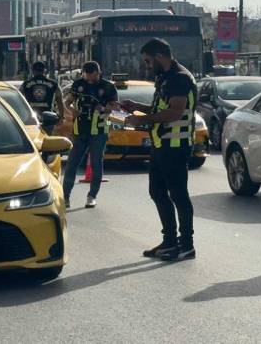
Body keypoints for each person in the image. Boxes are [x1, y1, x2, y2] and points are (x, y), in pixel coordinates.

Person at [122, 38, 197, 261]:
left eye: (147, 60)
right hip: (161, 143)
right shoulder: (165, 77)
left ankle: (186, 245)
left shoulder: (179, 78)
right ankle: (170, 241)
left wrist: (143, 120)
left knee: (178, 195)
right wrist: (137, 108)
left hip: (176, 145)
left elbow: (175, 112)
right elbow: (160, 108)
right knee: (157, 192)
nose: (146, 65)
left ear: (159, 56)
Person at [62, 61, 118, 209]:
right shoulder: (78, 84)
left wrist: (105, 108)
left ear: (98, 73)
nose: (88, 79)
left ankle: (92, 196)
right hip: (80, 130)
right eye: (86, 76)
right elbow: (68, 102)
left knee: (96, 163)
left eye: (91, 76)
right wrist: (71, 110)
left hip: (98, 131)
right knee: (72, 164)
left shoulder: (108, 87)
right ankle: (65, 196)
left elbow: (115, 106)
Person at [21, 61, 64, 134]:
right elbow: (59, 100)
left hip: (30, 118)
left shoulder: (25, 84)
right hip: (48, 118)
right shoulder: (53, 84)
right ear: (44, 70)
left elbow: (20, 100)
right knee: (47, 140)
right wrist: (61, 117)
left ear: (33, 71)